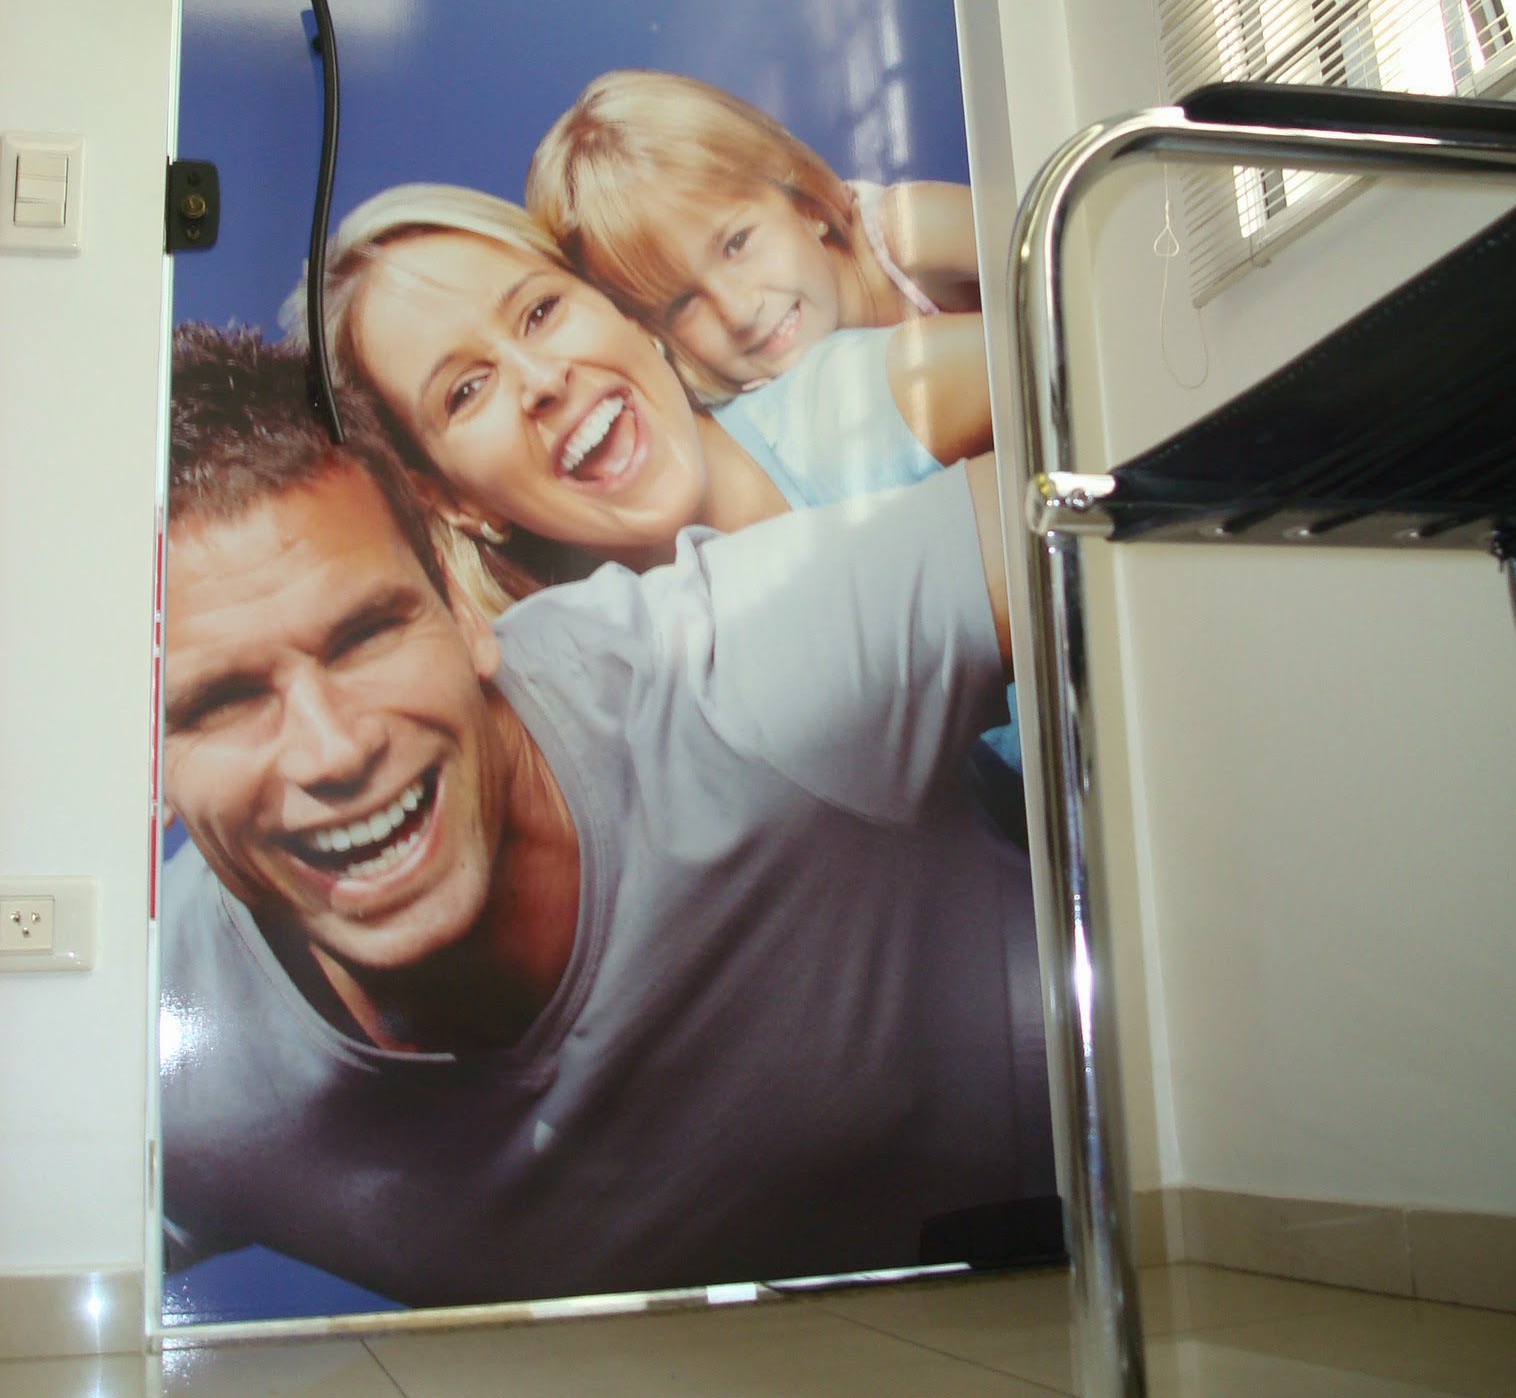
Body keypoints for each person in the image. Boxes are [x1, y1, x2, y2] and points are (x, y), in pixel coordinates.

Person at [160, 326, 1056, 1306]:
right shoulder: (172, 1059)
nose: (333, 750)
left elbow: (1105, 493)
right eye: (222, 702)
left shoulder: (726, 676)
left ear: (462, 613)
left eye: (368, 634)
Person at [285, 185, 991, 617]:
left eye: (540, 312)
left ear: (624, 313)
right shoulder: (598, 709)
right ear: (455, 501)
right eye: (466, 391)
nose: (541, 380)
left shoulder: (871, 403)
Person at [525, 69, 980, 403]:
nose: (739, 312)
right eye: (682, 303)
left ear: (804, 201)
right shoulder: (735, 395)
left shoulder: (912, 233)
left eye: (736, 243)